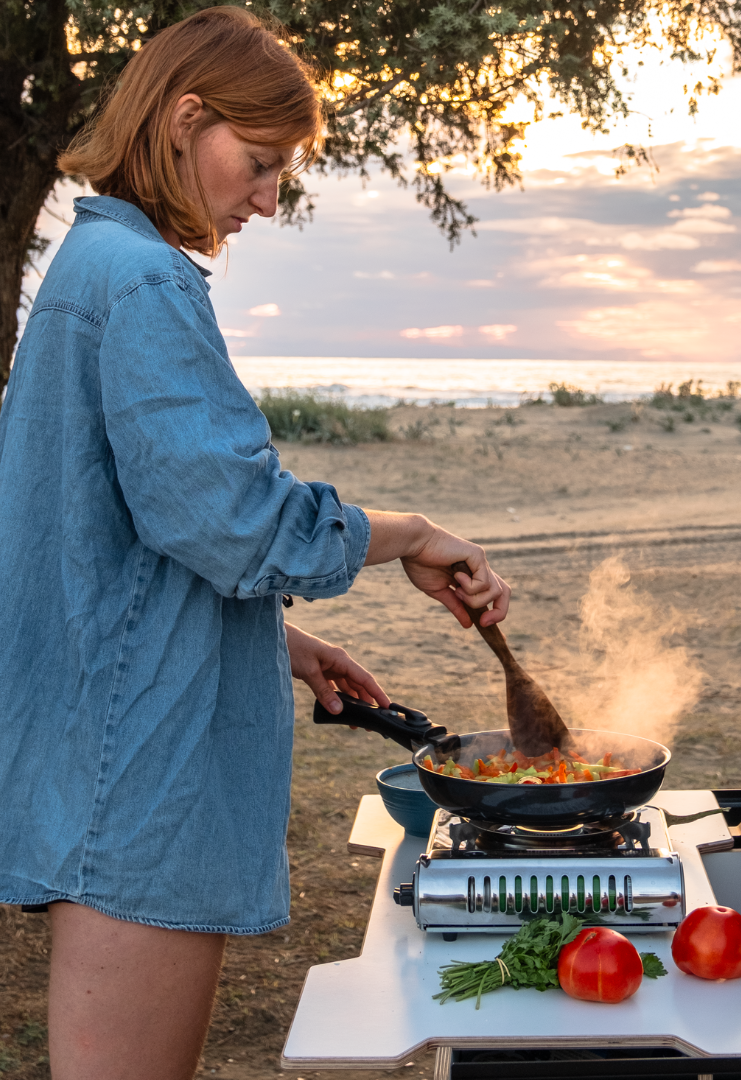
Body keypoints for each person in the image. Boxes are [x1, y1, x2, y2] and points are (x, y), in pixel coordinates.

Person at [0, 8, 509, 1079]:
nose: (271, 199)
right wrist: (410, 532)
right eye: (263, 163)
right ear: (187, 118)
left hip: (110, 760)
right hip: (134, 782)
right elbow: (237, 520)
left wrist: (275, 648)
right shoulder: (139, 284)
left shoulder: (96, 268)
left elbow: (115, 544)